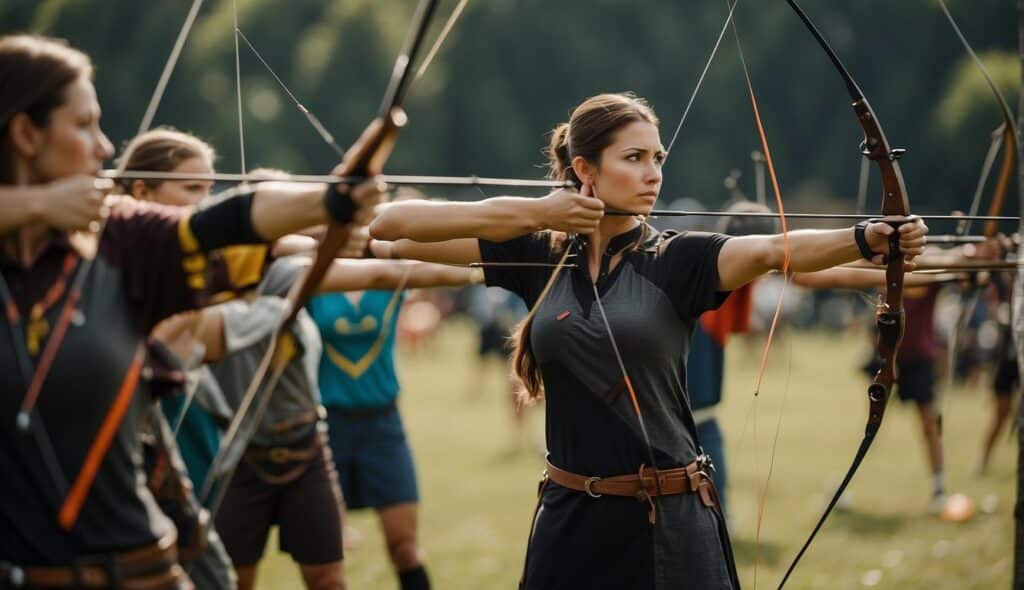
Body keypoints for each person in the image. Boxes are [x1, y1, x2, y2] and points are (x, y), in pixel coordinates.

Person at [366, 92, 927, 589]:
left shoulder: (678, 257)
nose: (653, 172)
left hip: (669, 517)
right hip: (570, 515)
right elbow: (392, 226)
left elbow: (765, 251)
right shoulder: (537, 252)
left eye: (657, 157)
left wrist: (864, 236)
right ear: (584, 168)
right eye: (634, 158)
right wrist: (540, 210)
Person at [0, 34, 381, 588]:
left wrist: (327, 200)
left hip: (138, 571)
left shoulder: (122, 241)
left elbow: (223, 220)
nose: (105, 146)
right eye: (83, 125)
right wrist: (36, 205)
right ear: (26, 134)